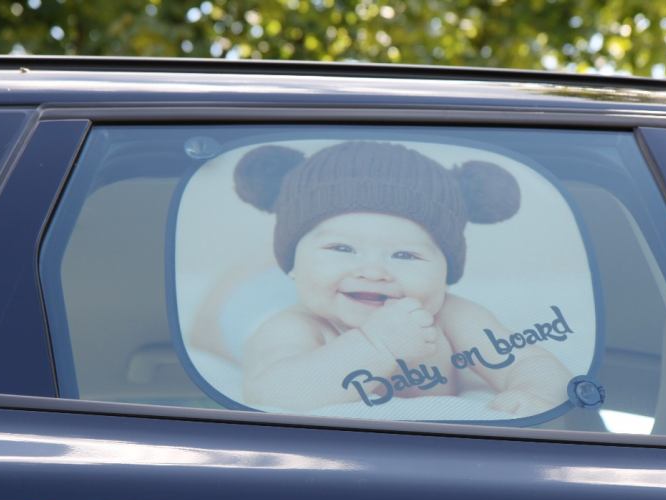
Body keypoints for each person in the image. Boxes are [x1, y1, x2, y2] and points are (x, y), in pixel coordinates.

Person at [235, 140, 570, 415]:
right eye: (341, 248)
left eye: (405, 255)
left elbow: (531, 362)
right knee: (226, 321)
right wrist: (377, 346)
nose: (373, 272)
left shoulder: (451, 317)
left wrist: (534, 392)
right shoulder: (296, 327)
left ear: (446, 274)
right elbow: (273, 394)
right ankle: (231, 289)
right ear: (292, 263)